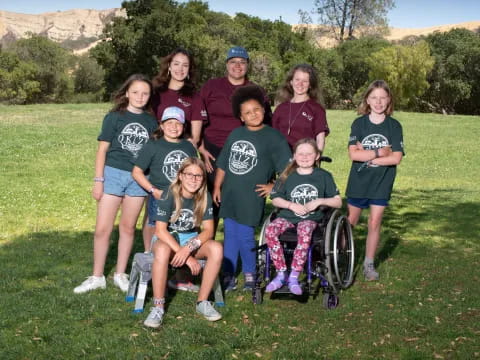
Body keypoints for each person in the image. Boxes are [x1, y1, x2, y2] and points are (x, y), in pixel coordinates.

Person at [74, 74, 157, 294]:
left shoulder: (151, 122)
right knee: (103, 229)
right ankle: (97, 276)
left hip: (138, 179)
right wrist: (98, 180)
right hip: (112, 174)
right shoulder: (114, 117)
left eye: (145, 93)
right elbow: (102, 150)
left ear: (150, 96)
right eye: (136, 92)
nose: (140, 96)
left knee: (128, 228)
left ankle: (120, 274)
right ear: (127, 93)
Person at [212, 85, 291, 292]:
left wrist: (274, 186)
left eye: (256, 109)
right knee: (230, 234)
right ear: (241, 117)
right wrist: (217, 186)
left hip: (251, 196)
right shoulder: (236, 133)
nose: (253, 114)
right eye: (247, 112)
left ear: (264, 110)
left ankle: (250, 274)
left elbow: (288, 168)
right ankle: (228, 274)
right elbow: (223, 163)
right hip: (230, 192)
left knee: (246, 235)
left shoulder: (274, 137)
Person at [143, 158, 223, 328]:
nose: (193, 179)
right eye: (189, 174)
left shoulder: (204, 196)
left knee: (216, 248)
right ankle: (158, 307)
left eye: (198, 176)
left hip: (190, 239)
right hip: (167, 239)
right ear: (180, 175)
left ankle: (202, 302)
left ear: (203, 179)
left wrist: (188, 249)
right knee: (163, 251)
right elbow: (160, 231)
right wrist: (184, 255)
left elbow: (208, 230)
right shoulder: (168, 194)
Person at [264, 138, 341, 295]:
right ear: (294, 155)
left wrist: (319, 201)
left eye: (309, 154)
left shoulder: (324, 176)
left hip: (310, 219)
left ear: (317, 156)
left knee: (304, 232)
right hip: (287, 215)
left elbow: (338, 202)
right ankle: (281, 273)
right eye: (301, 154)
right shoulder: (286, 175)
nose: (305, 157)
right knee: (271, 230)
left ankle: (294, 276)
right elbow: (276, 199)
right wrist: (291, 205)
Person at [345, 80, 404, 281]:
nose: (378, 102)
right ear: (367, 100)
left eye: (383, 98)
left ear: (388, 101)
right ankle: (340, 257)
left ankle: (368, 264)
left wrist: (367, 153)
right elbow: (353, 155)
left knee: (375, 221)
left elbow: (396, 158)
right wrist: (380, 152)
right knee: (350, 221)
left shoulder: (394, 126)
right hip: (359, 181)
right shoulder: (359, 123)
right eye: (374, 98)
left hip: (382, 182)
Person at [199, 46, 272, 190]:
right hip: (213, 148)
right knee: (214, 193)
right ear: (226, 64)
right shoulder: (211, 86)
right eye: (233, 61)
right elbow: (196, 117)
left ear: (247, 65)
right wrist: (200, 147)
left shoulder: (256, 90)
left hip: (244, 149)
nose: (237, 66)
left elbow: (268, 123)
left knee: (239, 191)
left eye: (242, 62)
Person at [132, 106, 197, 252]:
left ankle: (178, 260)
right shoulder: (153, 145)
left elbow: (196, 170)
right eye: (169, 123)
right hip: (161, 195)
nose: (173, 127)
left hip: (184, 196)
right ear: (161, 125)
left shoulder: (188, 147)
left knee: (183, 228)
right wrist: (153, 190)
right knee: (155, 227)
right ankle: (150, 254)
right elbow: (137, 172)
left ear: (183, 126)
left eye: (178, 123)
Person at [151, 47, 206, 146]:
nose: (180, 69)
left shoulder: (195, 98)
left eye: (185, 65)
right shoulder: (155, 93)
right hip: (155, 147)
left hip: (180, 149)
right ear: (169, 66)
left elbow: (195, 138)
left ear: (189, 69)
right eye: (176, 64)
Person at [272, 64, 329, 152]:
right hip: (281, 158)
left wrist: (317, 158)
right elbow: (272, 136)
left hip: (305, 158)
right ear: (291, 82)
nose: (300, 84)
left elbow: (320, 139)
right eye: (297, 80)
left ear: (310, 85)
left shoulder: (317, 109)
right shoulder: (281, 108)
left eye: (305, 81)